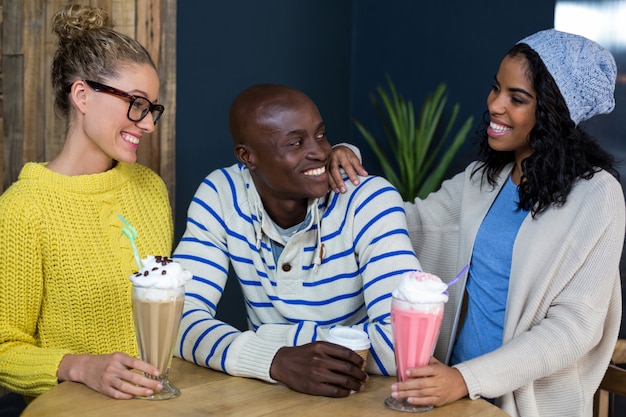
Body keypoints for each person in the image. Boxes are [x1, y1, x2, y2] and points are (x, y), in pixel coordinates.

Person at [329, 29, 624, 416]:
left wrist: (466, 378)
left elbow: (572, 329)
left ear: (555, 112)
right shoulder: (483, 179)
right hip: (457, 394)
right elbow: (405, 223)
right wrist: (344, 168)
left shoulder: (597, 196)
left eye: (517, 98)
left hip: (522, 404)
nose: (496, 105)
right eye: (496, 88)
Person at [173, 83, 422, 397]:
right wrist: (274, 361)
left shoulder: (369, 200)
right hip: (269, 396)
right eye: (295, 143)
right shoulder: (221, 195)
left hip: (362, 397)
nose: (320, 152)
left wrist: (269, 341)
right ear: (247, 157)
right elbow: (176, 318)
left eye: (320, 134)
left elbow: (402, 343)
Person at [0, 4, 173, 404]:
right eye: (136, 103)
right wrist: (80, 367)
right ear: (82, 95)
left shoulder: (150, 190)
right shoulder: (23, 210)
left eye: (152, 109)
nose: (147, 124)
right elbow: (5, 349)